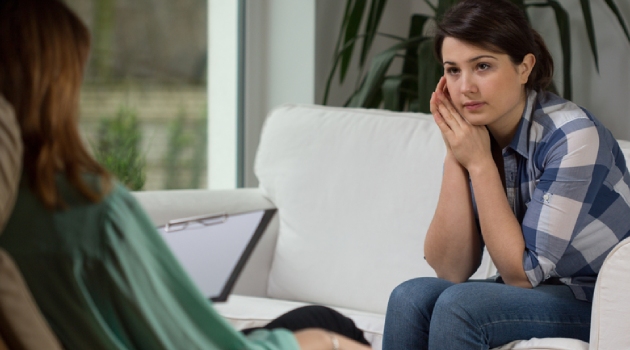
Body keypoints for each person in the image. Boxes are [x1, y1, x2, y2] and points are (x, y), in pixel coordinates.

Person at [0, 1, 370, 349]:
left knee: (316, 316)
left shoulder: (16, 209)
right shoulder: (87, 210)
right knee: (331, 328)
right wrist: (318, 344)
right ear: (55, 88)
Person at [382, 0, 630, 349]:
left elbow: (523, 275)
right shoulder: (478, 135)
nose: (465, 88)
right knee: (410, 297)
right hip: (540, 294)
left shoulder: (573, 136)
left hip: (605, 301)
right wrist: (455, 153)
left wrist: (478, 164)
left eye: (482, 66)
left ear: (524, 67)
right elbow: (450, 270)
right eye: (453, 70)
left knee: (461, 306)